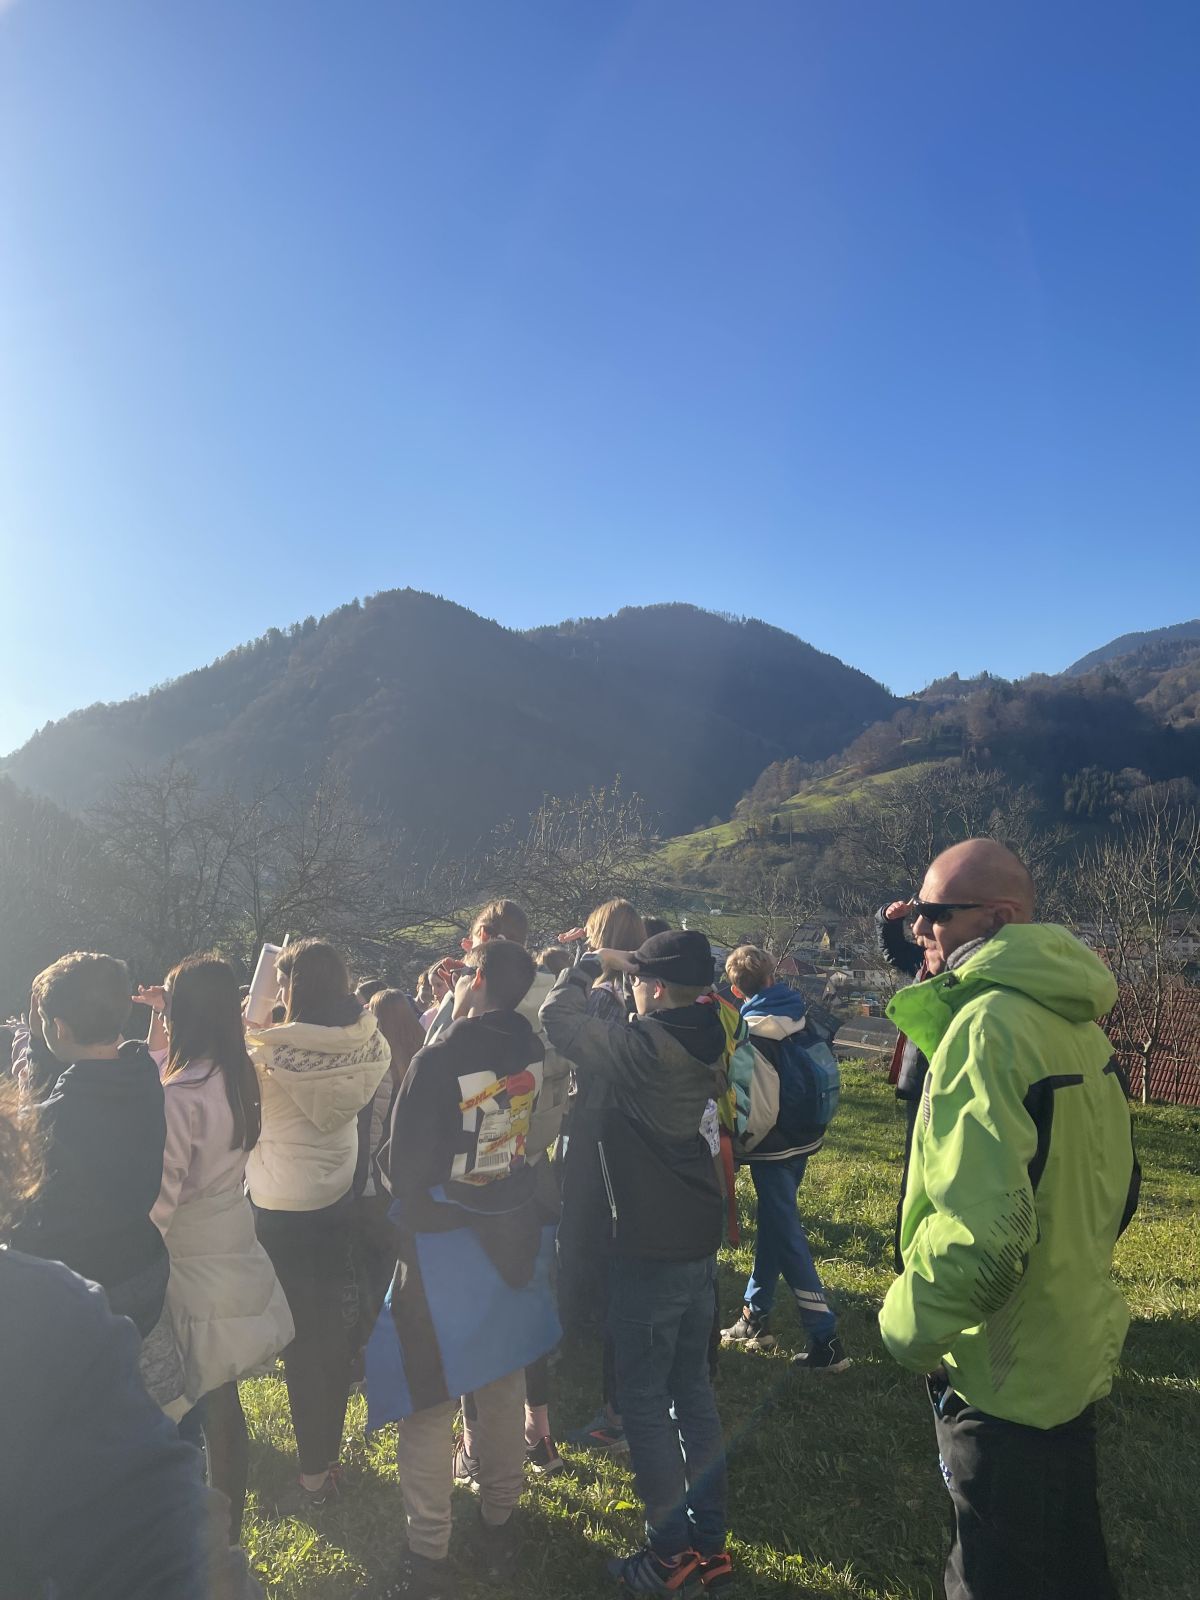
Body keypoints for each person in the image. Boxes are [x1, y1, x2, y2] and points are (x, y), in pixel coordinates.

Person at [879, 839, 1140, 1600]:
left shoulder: (986, 1027)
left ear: (995, 919)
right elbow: (1122, 1189)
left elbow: (983, 1241)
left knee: (990, 1575)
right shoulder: (1077, 1021)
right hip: (1070, 1349)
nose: (918, 928)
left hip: (999, 1375)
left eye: (933, 913)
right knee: (1071, 1564)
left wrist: (906, 1328)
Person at [0, 1077, 263, 1600]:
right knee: (190, 1399)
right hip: (173, 1265)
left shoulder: (45, 1321)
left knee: (184, 1400)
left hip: (161, 1267)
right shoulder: (157, 1085)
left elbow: (161, 1552)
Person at [367, 938, 561, 1599]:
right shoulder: (529, 1046)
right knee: (501, 1381)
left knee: (428, 1399)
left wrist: (448, 1019)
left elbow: (400, 1167)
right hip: (507, 1229)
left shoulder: (439, 1056)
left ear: (474, 980)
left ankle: (428, 1554)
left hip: (442, 1246)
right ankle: (500, 1523)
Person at [541, 928, 732, 1597]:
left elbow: (557, 1020)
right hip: (696, 1236)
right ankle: (710, 1544)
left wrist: (590, 963)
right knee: (694, 1395)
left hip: (648, 1242)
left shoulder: (646, 1049)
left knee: (645, 1402)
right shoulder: (711, 1030)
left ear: (651, 986)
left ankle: (668, 1553)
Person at [137, 954, 295, 1542]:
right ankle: (230, 1527)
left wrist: (139, 1253)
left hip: (187, 1248)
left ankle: (198, 1533)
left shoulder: (181, 1095)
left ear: (184, 1015)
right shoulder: (238, 1073)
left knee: (190, 1391)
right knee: (222, 1392)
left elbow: (164, 1192)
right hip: (231, 1227)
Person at [246, 939, 392, 1509]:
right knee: (326, 1329)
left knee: (297, 1339)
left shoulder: (271, 1053)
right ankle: (325, 1458)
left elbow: (246, 1090)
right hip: (336, 1192)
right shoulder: (368, 1039)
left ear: (295, 987)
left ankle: (310, 1475)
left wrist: (258, 1013)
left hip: (282, 1203)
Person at [429, 899, 571, 1473]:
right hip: (534, 1169)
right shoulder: (554, 997)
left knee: (474, 1309)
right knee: (528, 1302)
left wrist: (453, 999)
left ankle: (475, 1445)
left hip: (476, 1182)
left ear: (483, 942)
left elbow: (429, 1069)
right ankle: (540, 1430)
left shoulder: (479, 1006)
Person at [10, 952, 169, 1338]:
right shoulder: (143, 1076)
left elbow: (41, 1114)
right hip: (143, 1269)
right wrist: (42, 1036)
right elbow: (77, 1083)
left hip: (82, 1292)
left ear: (59, 1028)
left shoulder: (51, 1121)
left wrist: (35, 1042)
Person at [719, 945, 848, 1371]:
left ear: (737, 990)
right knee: (776, 1225)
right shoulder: (798, 1012)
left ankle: (825, 1339)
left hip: (772, 1147)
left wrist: (740, 1148)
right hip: (806, 1134)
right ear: (772, 977)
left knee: (787, 1234)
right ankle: (754, 1317)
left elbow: (757, 1105)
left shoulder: (752, 1031)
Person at [556, 899, 647, 1451]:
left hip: (592, 1124)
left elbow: (574, 1047)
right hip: (626, 1128)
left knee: (578, 1230)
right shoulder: (638, 990)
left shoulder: (601, 996)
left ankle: (570, 1329)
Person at [876, 898, 944, 1268]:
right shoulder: (924, 962)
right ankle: (906, 1260)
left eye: (931, 918)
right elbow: (894, 951)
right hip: (920, 1083)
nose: (918, 930)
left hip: (945, 1084)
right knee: (915, 1171)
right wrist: (886, 920)